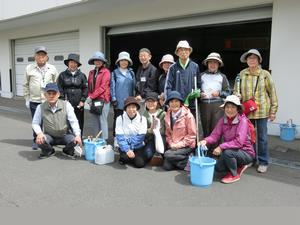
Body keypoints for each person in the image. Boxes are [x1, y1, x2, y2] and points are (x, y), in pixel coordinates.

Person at [233, 49, 278, 173]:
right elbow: (236, 90)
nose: (251, 60)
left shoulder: (265, 74)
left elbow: (272, 93)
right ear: (246, 60)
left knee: (262, 137)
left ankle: (263, 161)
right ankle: (251, 158)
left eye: (254, 58)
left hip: (262, 111)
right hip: (247, 111)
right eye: (249, 58)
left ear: (259, 60)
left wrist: (273, 111)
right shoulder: (242, 74)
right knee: (248, 137)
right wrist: (237, 96)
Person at [199, 95, 256, 184]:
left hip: (246, 153)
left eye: (233, 107)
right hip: (232, 150)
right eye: (227, 107)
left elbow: (239, 142)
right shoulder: (223, 120)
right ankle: (239, 165)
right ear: (224, 108)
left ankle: (234, 174)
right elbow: (214, 136)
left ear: (238, 109)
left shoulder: (243, 121)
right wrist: (205, 141)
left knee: (228, 153)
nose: (229, 110)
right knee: (218, 168)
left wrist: (221, 147)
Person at [32, 83, 82, 159]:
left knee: (74, 140)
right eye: (49, 93)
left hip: (65, 135)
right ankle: (49, 150)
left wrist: (78, 135)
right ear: (45, 95)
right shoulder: (40, 107)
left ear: (58, 94)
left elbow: (73, 121)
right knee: (38, 140)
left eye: (54, 93)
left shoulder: (66, 105)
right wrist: (39, 133)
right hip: (49, 136)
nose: (51, 96)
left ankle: (67, 150)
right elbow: (35, 123)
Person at [23, 46, 59, 150]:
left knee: (50, 121)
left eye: (43, 55)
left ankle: (49, 140)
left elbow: (56, 83)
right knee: (36, 121)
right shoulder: (29, 68)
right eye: (39, 55)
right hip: (34, 100)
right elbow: (25, 85)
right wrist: (27, 98)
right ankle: (36, 140)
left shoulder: (52, 68)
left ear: (47, 57)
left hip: (49, 100)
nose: (41, 57)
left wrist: (56, 98)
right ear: (35, 56)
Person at [200, 52, 231, 154]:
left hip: (218, 106)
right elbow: (194, 90)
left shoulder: (222, 77)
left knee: (216, 129)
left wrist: (219, 93)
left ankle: (215, 152)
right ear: (207, 64)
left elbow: (228, 92)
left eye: (215, 62)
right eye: (210, 62)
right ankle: (204, 152)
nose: (212, 64)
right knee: (205, 128)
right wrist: (200, 93)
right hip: (204, 105)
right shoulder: (201, 76)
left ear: (218, 64)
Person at [165, 40, 201, 118]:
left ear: (189, 51)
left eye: (186, 49)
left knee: (191, 127)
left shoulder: (195, 66)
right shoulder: (172, 68)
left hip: (191, 104)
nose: (183, 52)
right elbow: (168, 86)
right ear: (177, 53)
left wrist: (198, 91)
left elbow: (198, 84)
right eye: (181, 50)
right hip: (177, 105)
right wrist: (169, 101)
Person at [163, 91, 196, 171]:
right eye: (171, 101)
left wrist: (178, 145)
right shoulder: (167, 115)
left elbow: (192, 136)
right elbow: (168, 134)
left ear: (180, 102)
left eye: (176, 101)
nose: (174, 104)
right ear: (169, 104)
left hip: (186, 146)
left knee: (167, 154)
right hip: (174, 145)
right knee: (167, 166)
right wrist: (171, 143)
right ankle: (186, 162)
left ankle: (189, 158)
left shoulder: (188, 116)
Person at [57, 53, 88, 136]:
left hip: (79, 104)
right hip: (66, 103)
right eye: (71, 62)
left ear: (77, 64)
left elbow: (85, 88)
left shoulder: (82, 75)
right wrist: (63, 99)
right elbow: (59, 88)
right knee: (67, 121)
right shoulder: (62, 75)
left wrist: (82, 100)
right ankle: (69, 140)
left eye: (75, 63)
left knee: (79, 121)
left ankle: (79, 138)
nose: (73, 64)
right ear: (68, 63)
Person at [115, 96, 148, 168]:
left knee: (140, 164)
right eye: (128, 107)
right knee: (124, 159)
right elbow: (119, 137)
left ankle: (132, 157)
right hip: (124, 146)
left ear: (137, 108)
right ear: (125, 109)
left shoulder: (143, 119)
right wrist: (127, 150)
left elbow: (140, 137)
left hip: (137, 146)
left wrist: (131, 147)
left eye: (133, 107)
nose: (131, 109)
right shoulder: (120, 118)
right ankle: (127, 156)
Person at [86, 51, 111, 141]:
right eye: (96, 60)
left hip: (103, 99)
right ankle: (97, 140)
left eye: (100, 60)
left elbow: (103, 87)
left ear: (103, 62)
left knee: (102, 121)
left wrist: (91, 97)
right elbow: (89, 86)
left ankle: (104, 141)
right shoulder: (91, 72)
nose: (98, 62)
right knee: (95, 121)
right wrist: (89, 97)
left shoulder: (106, 72)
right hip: (93, 100)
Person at [110, 51, 135, 136]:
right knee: (118, 120)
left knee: (128, 120)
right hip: (119, 101)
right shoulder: (114, 73)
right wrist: (113, 98)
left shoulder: (131, 73)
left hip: (129, 101)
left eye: (125, 60)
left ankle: (127, 138)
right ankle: (116, 138)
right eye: (122, 60)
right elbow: (112, 87)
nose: (124, 62)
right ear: (118, 62)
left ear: (128, 62)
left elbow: (134, 87)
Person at [143, 92, 166, 162]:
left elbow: (165, 130)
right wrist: (150, 130)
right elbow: (143, 132)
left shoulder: (163, 114)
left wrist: (157, 130)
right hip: (150, 140)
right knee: (147, 155)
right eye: (148, 101)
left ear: (157, 102)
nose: (150, 104)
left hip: (162, 139)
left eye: (153, 101)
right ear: (146, 103)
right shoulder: (144, 116)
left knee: (167, 157)